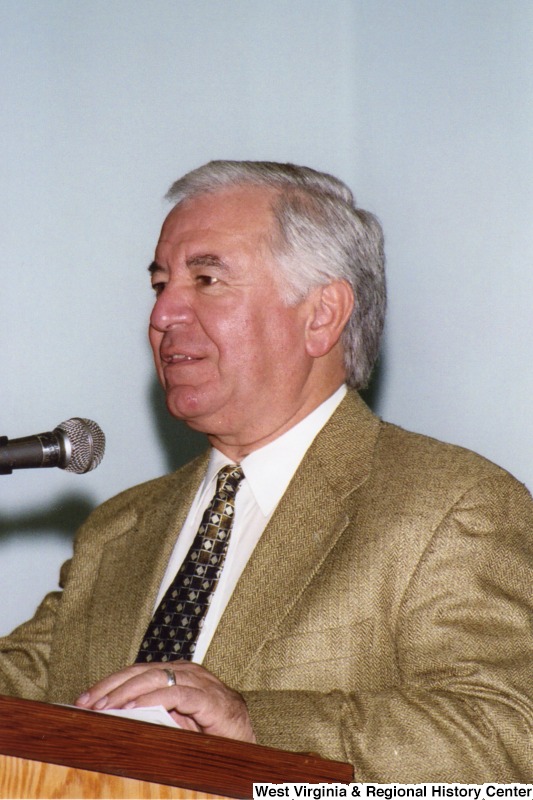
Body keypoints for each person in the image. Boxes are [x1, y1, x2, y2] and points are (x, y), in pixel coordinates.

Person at [0, 161, 531, 782]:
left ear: (322, 315)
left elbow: (510, 738)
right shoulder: (118, 528)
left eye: (206, 279)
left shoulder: (449, 506)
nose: (164, 314)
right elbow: (20, 688)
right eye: (160, 284)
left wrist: (253, 724)